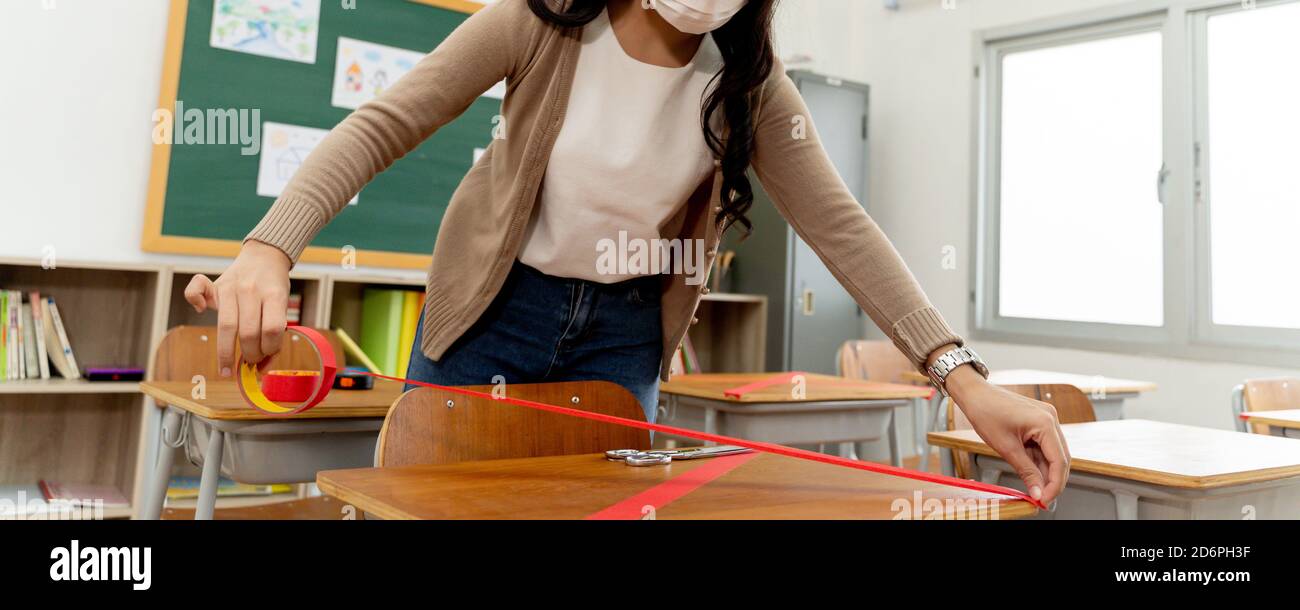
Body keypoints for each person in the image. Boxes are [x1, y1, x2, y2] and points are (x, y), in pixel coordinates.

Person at [185, 0, 1070, 503]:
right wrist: (270, 246)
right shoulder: (537, 25)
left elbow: (843, 229)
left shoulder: (753, 90)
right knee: (430, 503)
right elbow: (385, 123)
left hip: (623, 332)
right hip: (494, 310)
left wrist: (963, 376)